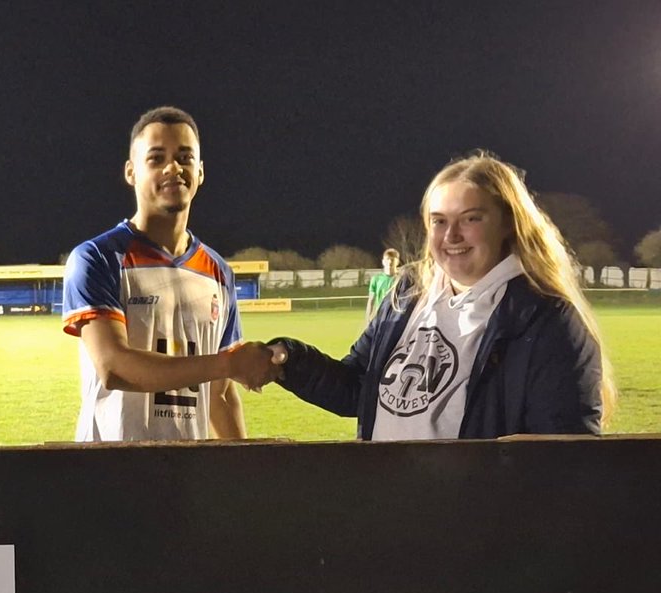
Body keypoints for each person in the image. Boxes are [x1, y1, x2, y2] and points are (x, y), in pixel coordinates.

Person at [266, 151, 614, 439]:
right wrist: (287, 360)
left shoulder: (546, 320)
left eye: (471, 219)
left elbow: (565, 462)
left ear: (509, 222)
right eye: (439, 221)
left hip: (469, 520)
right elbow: (359, 389)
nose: (452, 236)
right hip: (385, 508)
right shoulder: (408, 295)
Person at [61, 106, 277, 441]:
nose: (173, 167)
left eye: (185, 157)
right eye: (156, 158)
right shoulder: (97, 258)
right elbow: (113, 366)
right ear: (131, 172)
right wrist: (228, 364)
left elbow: (218, 395)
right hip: (105, 474)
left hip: (186, 477)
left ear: (200, 172)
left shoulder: (218, 271)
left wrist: (244, 473)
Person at [365, 248, 400, 321]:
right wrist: (368, 318)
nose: (390, 262)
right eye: (388, 259)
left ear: (397, 262)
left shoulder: (401, 279)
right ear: (383, 262)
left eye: (392, 259)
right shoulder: (376, 279)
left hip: (395, 317)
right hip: (380, 317)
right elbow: (371, 300)